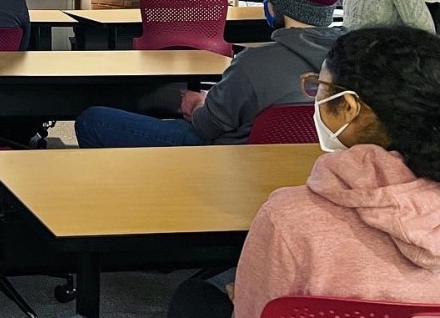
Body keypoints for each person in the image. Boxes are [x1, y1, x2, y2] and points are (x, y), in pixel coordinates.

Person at [168, 27, 440, 317]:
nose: (313, 97)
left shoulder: (288, 217)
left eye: (318, 86)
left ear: (348, 108)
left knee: (192, 297)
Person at [76, 0, 346, 148]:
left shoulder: (254, 64)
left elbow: (207, 127)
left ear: (274, 4)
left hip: (229, 163)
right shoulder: (361, 60)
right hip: (313, 171)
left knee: (93, 120)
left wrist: (198, 105)